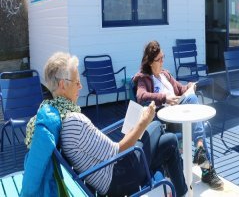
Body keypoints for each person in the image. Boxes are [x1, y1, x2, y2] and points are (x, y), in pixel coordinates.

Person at [22, 52, 187, 197]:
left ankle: (179, 191)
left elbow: (106, 150)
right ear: (62, 85)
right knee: (156, 125)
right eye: (76, 82)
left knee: (170, 140)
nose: (81, 86)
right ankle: (163, 179)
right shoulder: (74, 121)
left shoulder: (59, 114)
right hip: (118, 179)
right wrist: (144, 121)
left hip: (110, 173)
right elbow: (118, 150)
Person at [133, 40, 224, 190]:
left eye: (163, 57)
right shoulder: (144, 78)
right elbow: (140, 96)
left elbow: (180, 89)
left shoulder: (165, 74)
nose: (162, 61)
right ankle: (206, 169)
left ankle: (200, 151)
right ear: (150, 62)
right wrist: (164, 98)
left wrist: (189, 86)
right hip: (166, 121)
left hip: (180, 114)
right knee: (194, 109)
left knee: (192, 101)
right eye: (159, 59)